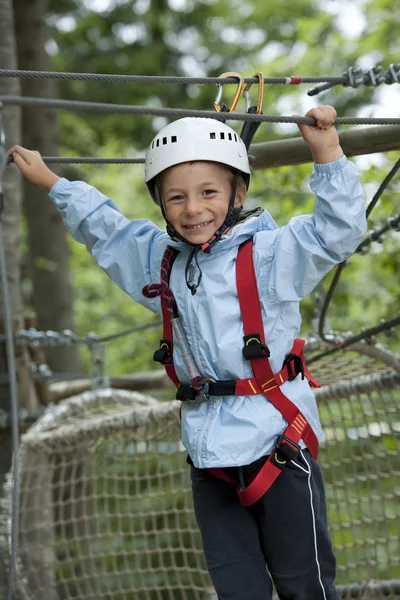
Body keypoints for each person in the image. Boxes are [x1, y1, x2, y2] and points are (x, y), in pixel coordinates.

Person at [8, 105, 366, 600]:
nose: (193, 209)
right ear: (160, 204)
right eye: (176, 198)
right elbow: (109, 230)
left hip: (278, 446)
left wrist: (326, 153)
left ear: (238, 194)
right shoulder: (162, 262)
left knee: (304, 585)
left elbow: (337, 231)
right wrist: (53, 182)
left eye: (208, 193)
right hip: (208, 456)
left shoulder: (270, 256)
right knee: (237, 589)